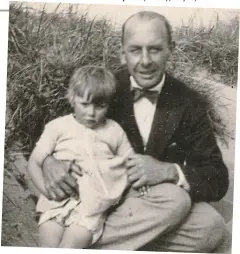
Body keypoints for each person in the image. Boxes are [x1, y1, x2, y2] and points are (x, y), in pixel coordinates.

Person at [41, 11, 229, 252]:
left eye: (155, 49)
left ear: (171, 49)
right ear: (122, 52)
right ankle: (82, 239)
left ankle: (78, 239)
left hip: (145, 201)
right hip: (95, 191)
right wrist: (49, 161)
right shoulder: (103, 88)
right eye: (135, 50)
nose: (145, 61)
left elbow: (217, 177)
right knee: (176, 200)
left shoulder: (189, 102)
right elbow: (51, 133)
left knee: (212, 227)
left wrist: (169, 171)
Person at [27, 65, 142, 248]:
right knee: (48, 241)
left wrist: (139, 181)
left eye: (100, 106)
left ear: (108, 105)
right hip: (56, 202)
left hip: (90, 209)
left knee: (72, 243)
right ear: (72, 99)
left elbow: (131, 161)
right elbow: (34, 161)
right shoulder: (58, 127)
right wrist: (46, 191)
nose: (91, 113)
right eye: (85, 104)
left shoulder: (114, 131)